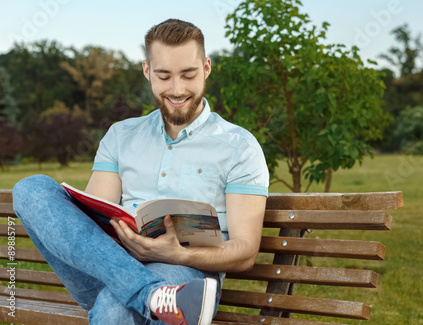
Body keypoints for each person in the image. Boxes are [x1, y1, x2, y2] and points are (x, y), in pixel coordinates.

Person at [12, 19, 269, 325]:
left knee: (115, 306)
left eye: (189, 75)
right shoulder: (121, 136)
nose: (177, 89)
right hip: (104, 268)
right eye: (164, 76)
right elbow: (92, 225)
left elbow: (245, 251)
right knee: (31, 187)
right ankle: (151, 295)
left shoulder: (239, 147)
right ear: (147, 71)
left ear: (207, 68)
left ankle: (150, 295)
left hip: (186, 275)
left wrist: (179, 254)